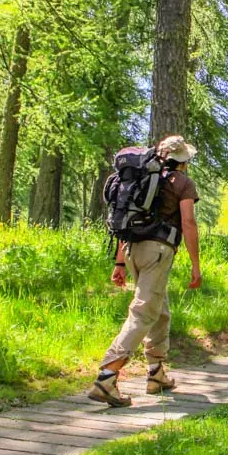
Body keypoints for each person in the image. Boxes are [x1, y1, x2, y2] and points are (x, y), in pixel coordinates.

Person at [88, 135, 202, 407]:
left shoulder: (141, 178)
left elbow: (127, 221)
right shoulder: (182, 182)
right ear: (182, 161)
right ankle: (107, 376)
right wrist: (196, 265)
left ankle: (157, 373)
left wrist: (119, 262)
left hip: (131, 249)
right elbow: (188, 222)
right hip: (158, 251)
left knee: (159, 309)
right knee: (143, 312)